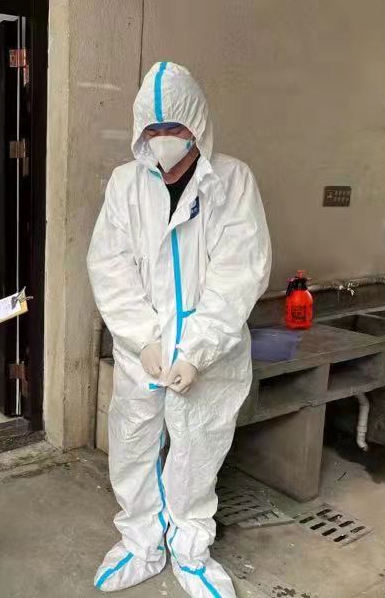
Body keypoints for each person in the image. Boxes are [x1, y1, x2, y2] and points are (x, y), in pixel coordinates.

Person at [87, 62, 271, 597]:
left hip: (209, 354)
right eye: (155, 129)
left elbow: (239, 273)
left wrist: (197, 350)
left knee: (198, 449)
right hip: (141, 351)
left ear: (199, 126)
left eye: (176, 128)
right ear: (140, 131)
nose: (165, 139)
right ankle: (141, 543)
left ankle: (191, 551)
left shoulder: (232, 182)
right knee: (133, 442)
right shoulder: (125, 185)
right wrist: (143, 337)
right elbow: (110, 266)